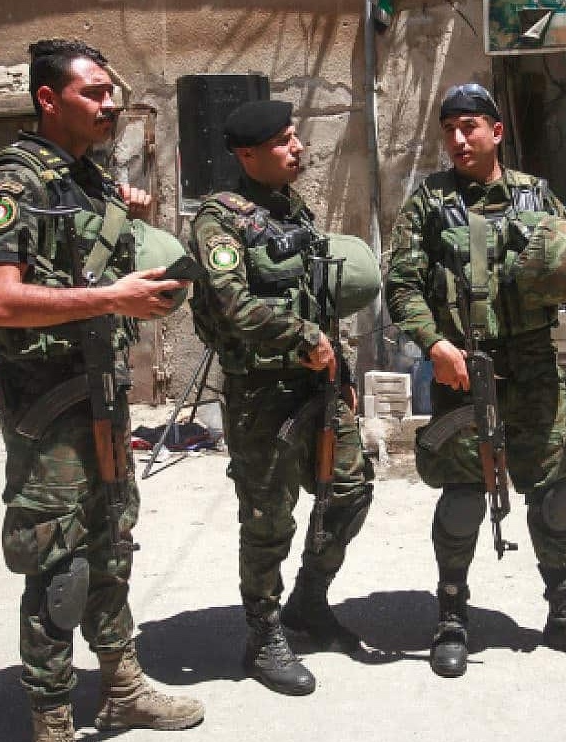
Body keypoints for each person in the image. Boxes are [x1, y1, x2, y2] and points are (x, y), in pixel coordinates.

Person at [0, 39, 203, 740]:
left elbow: (103, 262)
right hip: (46, 410)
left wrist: (130, 214)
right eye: (94, 93)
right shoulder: (13, 185)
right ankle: (50, 718)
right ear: (49, 99)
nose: (110, 105)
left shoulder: (91, 178)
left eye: (111, 93)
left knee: (111, 543)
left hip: (102, 394)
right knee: (58, 563)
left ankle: (124, 687)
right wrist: (110, 298)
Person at [385, 82, 566, 678]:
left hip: (533, 365)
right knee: (464, 497)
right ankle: (451, 616)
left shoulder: (536, 197)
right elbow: (402, 285)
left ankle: (565, 612)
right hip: (462, 370)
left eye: (470, 126)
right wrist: (434, 344)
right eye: (449, 130)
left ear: (497, 131)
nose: (459, 139)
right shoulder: (428, 202)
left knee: (551, 490)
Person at [187, 99, 375, 697]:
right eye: (285, 141)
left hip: (316, 387)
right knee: (268, 518)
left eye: (296, 137)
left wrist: (337, 365)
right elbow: (231, 306)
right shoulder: (219, 219)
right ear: (248, 155)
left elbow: (317, 297)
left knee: (349, 491)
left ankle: (308, 604)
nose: (299, 148)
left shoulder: (296, 211)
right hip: (258, 394)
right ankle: (262, 633)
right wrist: (305, 337)